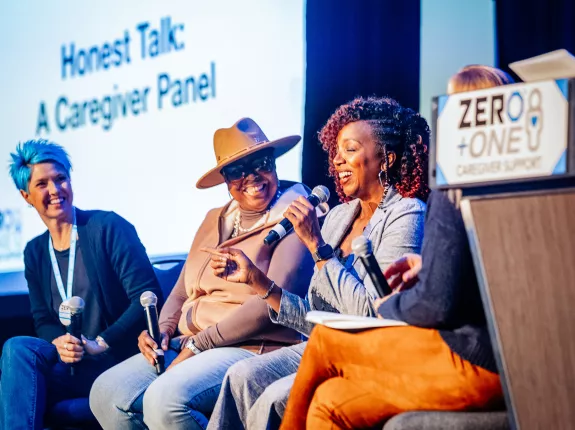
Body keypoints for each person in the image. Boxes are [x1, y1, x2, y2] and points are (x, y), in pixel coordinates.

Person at [279, 66, 514, 429]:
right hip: (497, 356)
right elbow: (494, 269)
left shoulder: (449, 188)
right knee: (329, 402)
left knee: (325, 343)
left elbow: (435, 304)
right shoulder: (519, 183)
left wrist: (391, 304)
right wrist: (428, 265)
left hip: (476, 359)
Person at [207, 96, 430, 430]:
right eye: (336, 150)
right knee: (241, 376)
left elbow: (371, 315)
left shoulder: (406, 213)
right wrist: (256, 280)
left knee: (274, 398)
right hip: (321, 344)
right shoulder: (339, 216)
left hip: (366, 353)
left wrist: (317, 246)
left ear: (387, 158)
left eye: (350, 149)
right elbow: (314, 317)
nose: (337, 160)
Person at [89, 118, 319, 429]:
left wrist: (201, 344)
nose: (252, 176)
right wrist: (161, 332)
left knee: (165, 400)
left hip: (250, 346)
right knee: (106, 393)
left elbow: (270, 304)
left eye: (261, 163)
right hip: (189, 342)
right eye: (238, 170)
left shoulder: (296, 215)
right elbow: (183, 289)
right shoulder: (216, 218)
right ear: (225, 179)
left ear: (275, 165)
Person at [0, 139, 162, 430]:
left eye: (60, 179)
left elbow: (146, 296)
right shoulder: (35, 252)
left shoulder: (107, 228)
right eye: (42, 184)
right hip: (73, 366)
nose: (54, 190)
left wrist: (101, 343)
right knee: (17, 348)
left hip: (116, 361)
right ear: (26, 196)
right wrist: (59, 342)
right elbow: (43, 320)